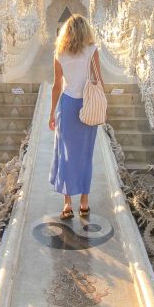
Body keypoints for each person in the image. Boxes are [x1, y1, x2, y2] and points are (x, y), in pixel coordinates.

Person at [49, 14, 103, 219]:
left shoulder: (60, 53)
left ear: (66, 32)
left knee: (66, 154)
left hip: (68, 105)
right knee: (85, 154)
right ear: (85, 30)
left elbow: (56, 86)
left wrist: (52, 112)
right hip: (88, 105)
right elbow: (99, 81)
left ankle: (67, 205)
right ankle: (84, 202)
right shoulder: (92, 50)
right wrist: (102, 106)